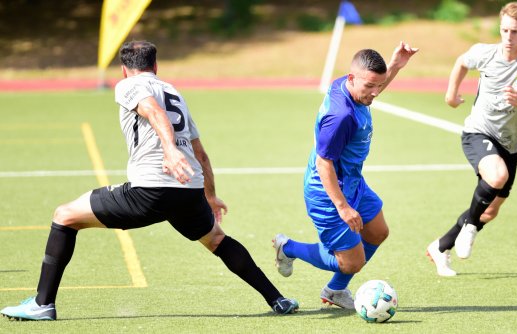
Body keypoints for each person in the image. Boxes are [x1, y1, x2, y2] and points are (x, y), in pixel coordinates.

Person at [0, 40, 298, 321]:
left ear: (124, 68)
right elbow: (200, 154)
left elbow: (152, 111)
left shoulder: (129, 84)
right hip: (189, 189)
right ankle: (277, 299)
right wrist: (210, 195)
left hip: (151, 190)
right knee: (218, 240)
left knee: (64, 216)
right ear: (156, 66)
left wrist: (168, 151)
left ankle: (43, 304)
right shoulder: (174, 93)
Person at [273, 43, 418, 309]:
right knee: (352, 262)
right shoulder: (340, 117)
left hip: (352, 181)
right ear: (352, 78)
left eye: (379, 85)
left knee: (377, 232)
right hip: (328, 193)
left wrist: (395, 65)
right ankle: (288, 247)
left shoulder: (351, 85)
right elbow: (323, 162)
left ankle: (335, 291)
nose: (375, 93)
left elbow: (371, 84)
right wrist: (343, 207)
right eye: (370, 87)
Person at [426, 2, 517, 276]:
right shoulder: (484, 53)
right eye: (505, 30)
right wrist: (451, 94)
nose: (509, 37)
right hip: (478, 131)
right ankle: (469, 228)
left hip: (511, 143)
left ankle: (440, 246)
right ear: (500, 29)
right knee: (497, 176)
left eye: (516, 32)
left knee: (490, 211)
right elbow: (462, 62)